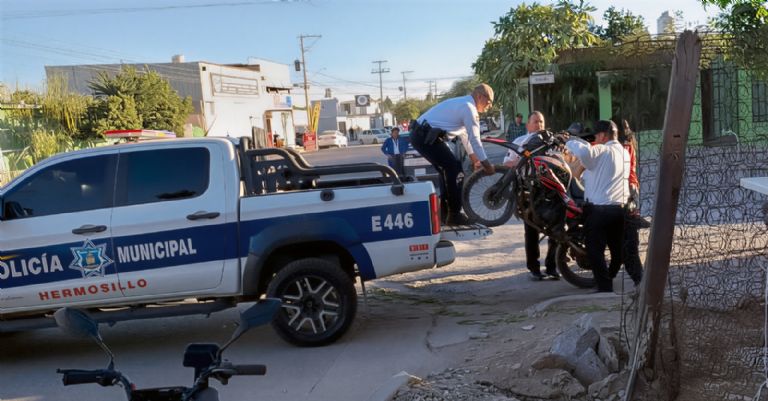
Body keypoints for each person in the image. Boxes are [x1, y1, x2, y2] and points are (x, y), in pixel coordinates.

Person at [409, 84, 495, 226]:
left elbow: (466, 137)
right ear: (480, 96)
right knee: (454, 169)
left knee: (447, 170)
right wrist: (487, 165)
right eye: (489, 101)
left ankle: (444, 214)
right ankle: (454, 215)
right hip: (424, 136)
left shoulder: (463, 104)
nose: (489, 106)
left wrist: (475, 159)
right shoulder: (469, 108)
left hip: (422, 135)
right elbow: (475, 140)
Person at [565, 120, 630, 292]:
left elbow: (585, 153)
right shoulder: (624, 153)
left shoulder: (602, 150)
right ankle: (611, 276)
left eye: (596, 136)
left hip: (599, 210)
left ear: (602, 135)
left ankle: (604, 287)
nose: (595, 139)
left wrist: (570, 141)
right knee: (616, 249)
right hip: (619, 209)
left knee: (595, 251)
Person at [502, 111, 559, 280]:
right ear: (527, 125)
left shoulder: (551, 142)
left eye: (541, 122)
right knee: (532, 230)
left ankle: (552, 267)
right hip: (528, 190)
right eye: (535, 122)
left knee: (556, 229)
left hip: (550, 190)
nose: (538, 125)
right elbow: (507, 164)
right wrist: (525, 161)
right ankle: (534, 269)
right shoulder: (520, 142)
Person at [615, 120, 645, 286]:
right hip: (632, 188)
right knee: (629, 232)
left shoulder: (624, 147)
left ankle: (638, 275)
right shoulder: (629, 144)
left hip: (628, 189)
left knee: (629, 234)